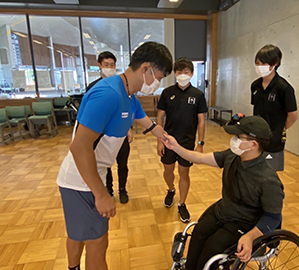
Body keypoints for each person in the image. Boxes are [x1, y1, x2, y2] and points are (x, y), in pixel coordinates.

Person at [56, 41, 173, 270]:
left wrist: (164, 137)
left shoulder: (129, 96)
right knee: (98, 243)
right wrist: (101, 194)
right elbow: (79, 148)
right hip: (81, 180)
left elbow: (146, 122)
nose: (157, 83)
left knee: (79, 234)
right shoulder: (107, 94)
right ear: (146, 68)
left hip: (89, 175)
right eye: (159, 76)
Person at [160, 116, 284, 270]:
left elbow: (273, 217)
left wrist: (250, 236)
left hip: (246, 222)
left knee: (212, 249)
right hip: (225, 210)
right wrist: (176, 147)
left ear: (253, 144)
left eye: (238, 137)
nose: (233, 140)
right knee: (198, 233)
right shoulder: (233, 156)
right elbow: (201, 158)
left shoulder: (268, 179)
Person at [157, 57, 208, 223]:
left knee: (184, 172)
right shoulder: (167, 93)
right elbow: (160, 118)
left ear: (192, 74)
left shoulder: (198, 95)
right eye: (179, 72)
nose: (182, 75)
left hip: (187, 142)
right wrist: (159, 140)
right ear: (174, 73)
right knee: (168, 170)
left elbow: (201, 121)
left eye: (186, 72)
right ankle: (171, 190)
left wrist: (200, 144)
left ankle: (182, 203)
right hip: (167, 141)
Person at [86, 51, 132, 204]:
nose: (110, 67)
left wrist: (129, 129)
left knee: (122, 164)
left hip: (121, 133)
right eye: (106, 65)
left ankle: (123, 189)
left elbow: (129, 109)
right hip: (101, 135)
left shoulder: (123, 87)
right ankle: (108, 189)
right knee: (105, 164)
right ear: (99, 65)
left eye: (112, 65)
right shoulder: (93, 87)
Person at [251, 44, 298, 171]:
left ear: (275, 64)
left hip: (273, 141)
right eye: (257, 64)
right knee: (254, 172)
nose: (260, 67)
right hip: (256, 139)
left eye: (263, 64)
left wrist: (278, 129)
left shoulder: (284, 88)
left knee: (269, 175)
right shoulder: (255, 86)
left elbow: (293, 116)